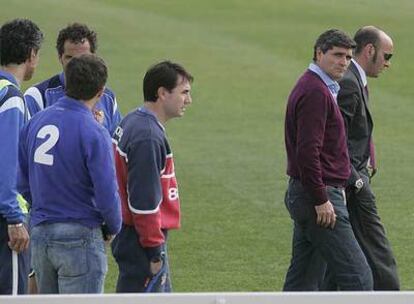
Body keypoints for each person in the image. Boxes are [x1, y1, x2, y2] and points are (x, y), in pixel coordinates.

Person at [17, 54, 122, 294]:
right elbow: (107, 191)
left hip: (41, 235)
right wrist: (113, 226)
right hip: (81, 235)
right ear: (101, 91)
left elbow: (21, 182)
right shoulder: (94, 132)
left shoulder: (35, 123)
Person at [283, 29, 373, 291]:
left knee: (303, 282)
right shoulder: (316, 92)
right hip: (317, 198)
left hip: (309, 193)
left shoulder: (317, 86)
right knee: (358, 278)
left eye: (347, 57)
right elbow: (307, 152)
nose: (343, 62)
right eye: (336, 55)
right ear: (319, 53)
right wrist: (322, 198)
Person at [322, 26, 399, 290]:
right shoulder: (349, 84)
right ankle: (391, 297)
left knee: (335, 261)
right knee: (378, 254)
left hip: (350, 178)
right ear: (369, 50)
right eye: (387, 56)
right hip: (352, 183)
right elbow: (335, 139)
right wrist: (355, 180)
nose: (388, 64)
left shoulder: (354, 80)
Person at [111, 61, 193, 292]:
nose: (188, 100)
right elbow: (143, 203)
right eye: (184, 92)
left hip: (129, 235)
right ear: (162, 93)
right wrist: (155, 251)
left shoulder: (132, 120)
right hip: (140, 240)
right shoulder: (147, 137)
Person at [0, 18, 43, 295]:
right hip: (5, 219)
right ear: (31, 55)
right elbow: (6, 162)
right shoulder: (12, 97)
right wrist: (15, 219)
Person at [24, 22, 121, 135]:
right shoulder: (38, 96)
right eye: (70, 58)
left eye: (83, 58)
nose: (77, 64)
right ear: (60, 58)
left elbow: (116, 145)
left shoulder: (108, 98)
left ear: (94, 57)